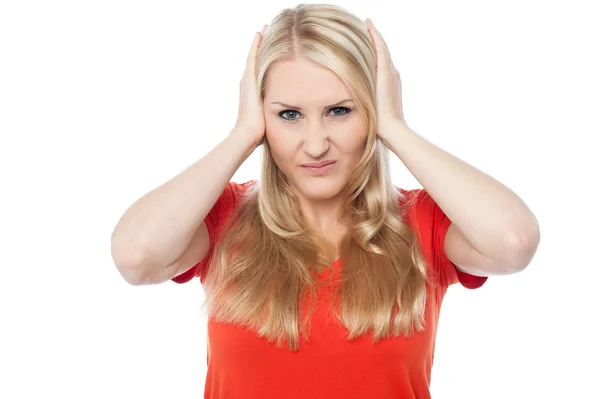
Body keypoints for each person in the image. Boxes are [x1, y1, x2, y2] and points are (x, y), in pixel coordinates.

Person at [110, 4, 540, 398]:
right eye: (289, 115)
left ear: (371, 109)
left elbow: (513, 241)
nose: (316, 145)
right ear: (261, 115)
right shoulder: (223, 217)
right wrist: (240, 135)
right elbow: (136, 256)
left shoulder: (420, 225)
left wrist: (396, 127)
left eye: (340, 110)